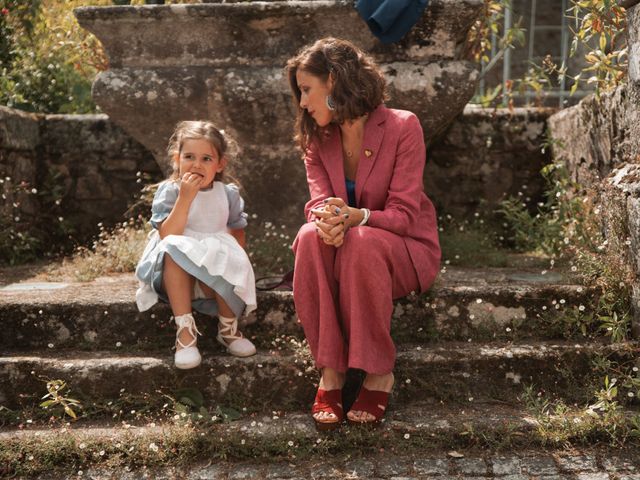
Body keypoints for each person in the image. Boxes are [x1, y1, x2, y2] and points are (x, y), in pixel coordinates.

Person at [286, 38, 441, 430]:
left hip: (403, 249)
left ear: (334, 80)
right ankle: (331, 372)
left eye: (307, 89)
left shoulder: (403, 126)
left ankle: (378, 373)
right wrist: (328, 219)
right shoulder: (316, 139)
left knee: (362, 238)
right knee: (308, 236)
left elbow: (404, 215)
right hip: (346, 246)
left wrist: (358, 217)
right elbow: (318, 201)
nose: (302, 102)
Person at [135, 121, 257, 369]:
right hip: (175, 275)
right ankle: (185, 333)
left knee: (228, 255)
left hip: (211, 278)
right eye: (189, 156)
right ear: (176, 159)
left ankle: (228, 328)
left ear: (220, 164)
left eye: (206, 158)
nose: (196, 164)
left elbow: (237, 236)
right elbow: (168, 236)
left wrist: (239, 269)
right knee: (175, 249)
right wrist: (186, 197)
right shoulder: (171, 191)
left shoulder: (228, 194)